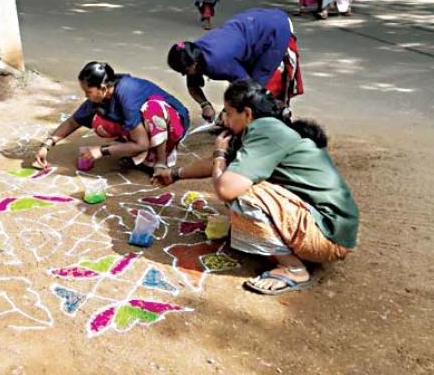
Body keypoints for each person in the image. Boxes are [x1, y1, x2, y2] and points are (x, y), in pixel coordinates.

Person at [152, 79, 359, 295]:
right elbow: (221, 164)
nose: (225, 119)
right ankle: (287, 248)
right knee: (238, 180)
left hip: (328, 237)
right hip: (324, 228)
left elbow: (226, 188)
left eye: (229, 113)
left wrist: (220, 153)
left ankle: (293, 268)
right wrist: (175, 174)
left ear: (248, 114)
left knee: (242, 192)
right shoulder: (263, 130)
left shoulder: (267, 131)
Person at [35, 62, 190, 172]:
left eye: (88, 92)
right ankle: (136, 150)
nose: (86, 96)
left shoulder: (126, 93)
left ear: (102, 88)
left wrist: (102, 151)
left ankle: (160, 162)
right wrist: (46, 145)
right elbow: (72, 122)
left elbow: (141, 144)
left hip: (174, 124)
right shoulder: (101, 96)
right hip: (146, 129)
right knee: (99, 120)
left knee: (152, 109)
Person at [167, 7, 303, 123]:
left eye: (185, 71)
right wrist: (205, 105)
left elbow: (246, 86)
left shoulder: (217, 61)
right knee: (244, 94)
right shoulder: (192, 54)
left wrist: (227, 112)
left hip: (273, 28)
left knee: (258, 86)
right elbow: (192, 85)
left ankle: (278, 113)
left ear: (194, 64)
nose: (184, 75)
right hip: (252, 24)